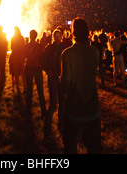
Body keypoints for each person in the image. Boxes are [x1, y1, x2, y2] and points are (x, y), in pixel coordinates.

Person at [60, 18, 102, 154]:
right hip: (92, 108)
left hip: (74, 109)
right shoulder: (95, 51)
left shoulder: (67, 53)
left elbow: (66, 83)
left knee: (70, 147)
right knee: (94, 148)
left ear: (72, 33)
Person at [42, 28, 66, 135]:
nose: (57, 38)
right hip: (52, 77)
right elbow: (43, 62)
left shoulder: (64, 48)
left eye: (59, 36)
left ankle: (61, 122)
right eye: (55, 36)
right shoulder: (49, 48)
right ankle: (47, 123)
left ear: (61, 37)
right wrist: (48, 71)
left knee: (62, 101)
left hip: (61, 78)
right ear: (53, 37)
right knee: (53, 102)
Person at [24, 29, 47, 118]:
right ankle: (43, 111)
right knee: (40, 90)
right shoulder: (40, 46)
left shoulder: (25, 46)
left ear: (30, 36)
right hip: (37, 69)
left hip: (29, 68)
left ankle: (28, 111)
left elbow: (25, 56)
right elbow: (42, 56)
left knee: (29, 90)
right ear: (36, 36)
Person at [9, 26, 26, 94]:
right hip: (21, 56)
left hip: (15, 56)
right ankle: (25, 87)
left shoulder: (13, 38)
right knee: (22, 71)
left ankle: (18, 87)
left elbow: (12, 47)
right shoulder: (21, 38)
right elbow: (23, 46)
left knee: (16, 72)